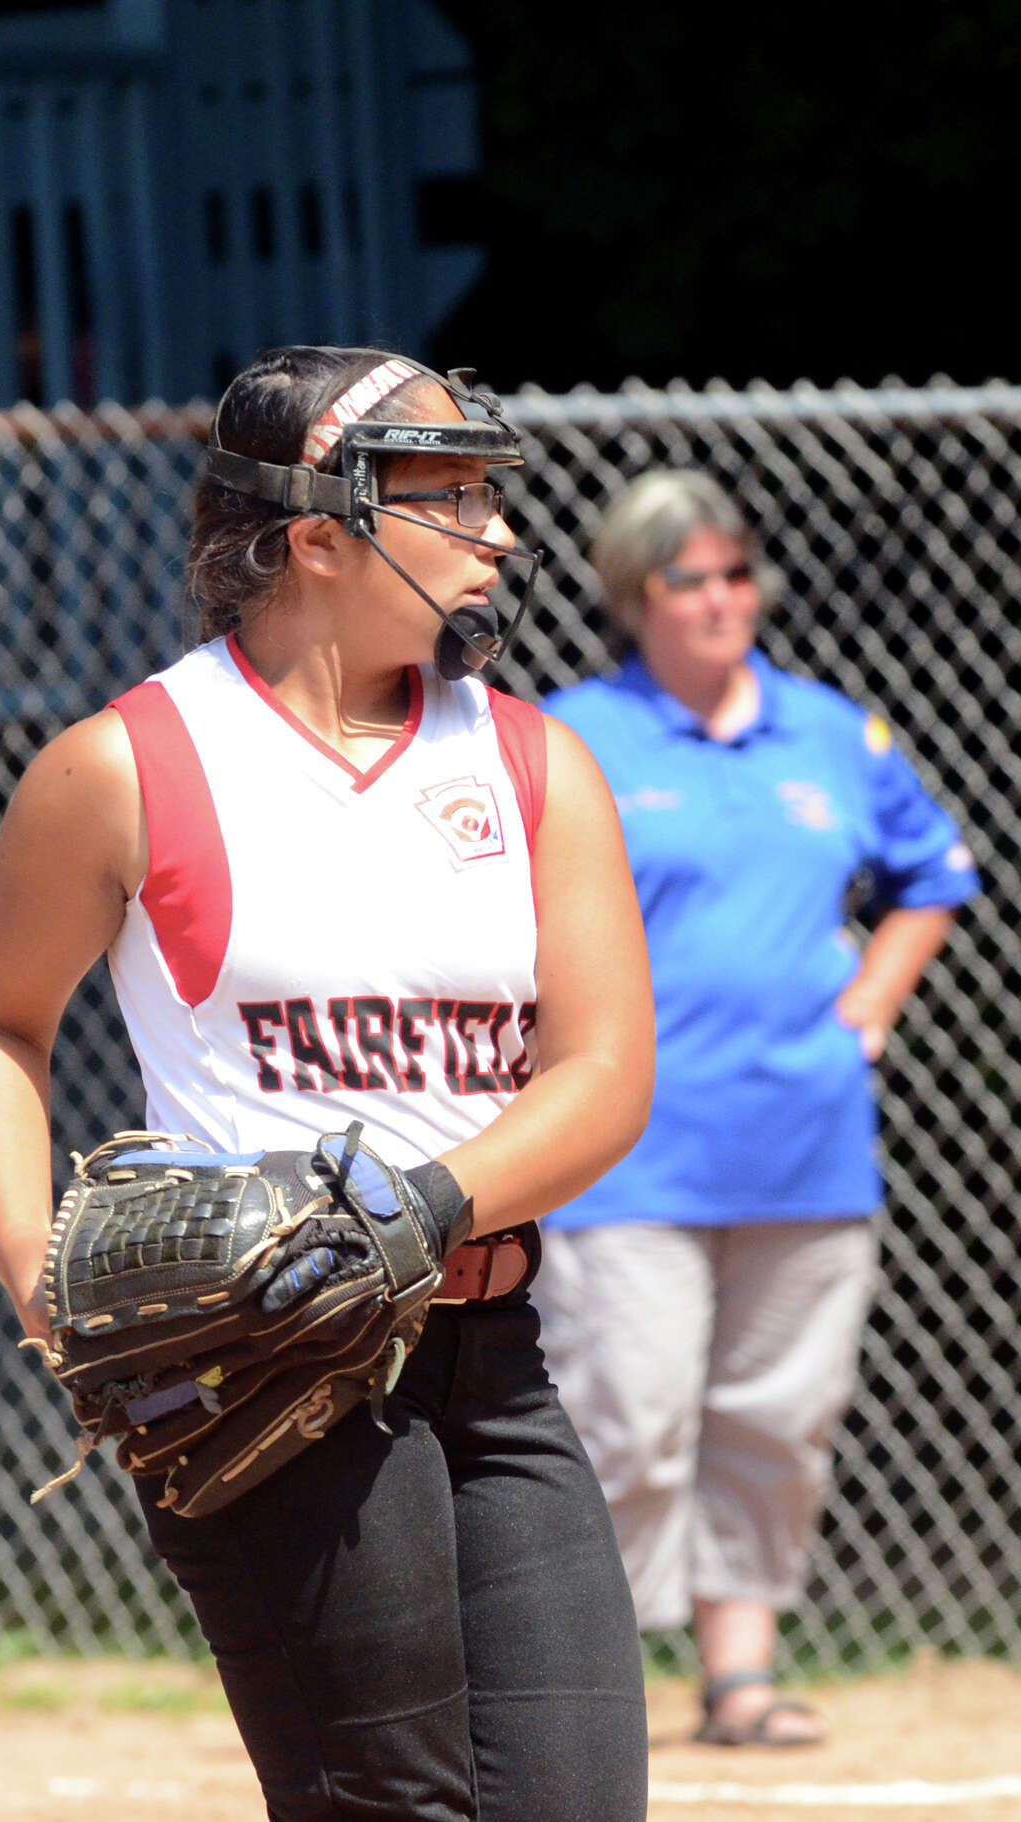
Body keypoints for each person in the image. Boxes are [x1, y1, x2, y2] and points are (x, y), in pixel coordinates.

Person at [0, 345, 657, 1822]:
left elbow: (605, 1073)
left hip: (489, 1357)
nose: (499, 533)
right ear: (318, 534)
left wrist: (426, 1202)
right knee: (393, 1805)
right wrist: (38, 1281)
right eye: (447, 497)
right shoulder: (133, 763)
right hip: (268, 1371)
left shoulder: (530, 763)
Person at [532, 468, 978, 1749]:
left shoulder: (832, 731)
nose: (724, 599)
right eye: (691, 579)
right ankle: (579, 1686)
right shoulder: (574, 738)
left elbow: (934, 871)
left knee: (779, 1413)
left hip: (805, 1141)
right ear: (634, 598)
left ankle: (741, 1674)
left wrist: (873, 1002)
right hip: (629, 1148)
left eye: (738, 573)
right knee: (632, 1410)